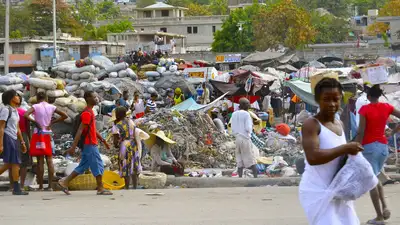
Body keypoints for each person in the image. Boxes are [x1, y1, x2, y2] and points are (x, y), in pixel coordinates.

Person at [299, 78, 364, 225]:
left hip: (338, 190)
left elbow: (340, 157)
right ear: (317, 100)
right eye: (326, 99)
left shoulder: (339, 123)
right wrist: (346, 148)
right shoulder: (311, 124)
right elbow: (313, 157)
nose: (332, 104)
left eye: (336, 99)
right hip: (317, 190)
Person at [356, 84, 400, 224]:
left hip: (369, 147)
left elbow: (361, 131)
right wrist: (393, 132)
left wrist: (356, 145)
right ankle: (385, 208)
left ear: (368, 97)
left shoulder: (364, 109)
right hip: (383, 147)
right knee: (376, 178)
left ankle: (380, 217)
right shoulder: (387, 107)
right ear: (379, 96)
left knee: (371, 182)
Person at [58, 91, 112, 195]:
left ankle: (64, 182)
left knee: (82, 166)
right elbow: (80, 130)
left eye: (97, 96)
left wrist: (103, 141)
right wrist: (73, 147)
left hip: (90, 143)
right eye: (94, 97)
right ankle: (100, 188)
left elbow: (93, 129)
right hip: (89, 144)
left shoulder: (91, 112)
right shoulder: (87, 113)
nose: (97, 98)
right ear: (88, 99)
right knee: (98, 164)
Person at [24, 92, 67, 191]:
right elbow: (65, 115)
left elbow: (26, 115)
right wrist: (52, 122)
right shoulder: (51, 107)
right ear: (46, 98)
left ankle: (40, 186)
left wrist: (35, 122)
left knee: (40, 161)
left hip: (38, 134)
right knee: (49, 160)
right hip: (48, 134)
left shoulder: (35, 106)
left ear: (37, 98)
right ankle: (50, 186)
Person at [112, 107, 149, 189]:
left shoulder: (117, 125)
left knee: (125, 165)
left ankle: (127, 187)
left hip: (124, 146)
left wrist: (116, 145)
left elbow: (115, 141)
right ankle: (135, 186)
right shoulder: (130, 121)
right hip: (133, 144)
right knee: (134, 165)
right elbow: (135, 132)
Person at [0, 90, 28, 195]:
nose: (19, 97)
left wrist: (22, 142)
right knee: (14, 163)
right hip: (7, 137)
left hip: (14, 138)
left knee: (11, 164)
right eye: (16, 95)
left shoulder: (15, 111)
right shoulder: (6, 110)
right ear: (11, 98)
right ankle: (16, 189)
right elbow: (1, 127)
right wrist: (1, 144)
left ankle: (16, 188)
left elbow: (18, 128)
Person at [230, 98, 258, 178]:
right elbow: (248, 128)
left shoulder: (234, 114)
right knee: (251, 159)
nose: (249, 105)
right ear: (244, 105)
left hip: (237, 138)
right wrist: (251, 131)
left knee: (239, 160)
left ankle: (240, 177)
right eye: (248, 104)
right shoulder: (246, 114)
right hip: (245, 138)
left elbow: (232, 127)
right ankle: (256, 178)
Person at [16, 97, 31, 190]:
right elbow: (28, 128)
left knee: (12, 162)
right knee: (24, 163)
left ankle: (12, 185)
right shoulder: (24, 112)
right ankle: (21, 185)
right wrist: (29, 139)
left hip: (12, 136)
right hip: (23, 136)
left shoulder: (7, 112)